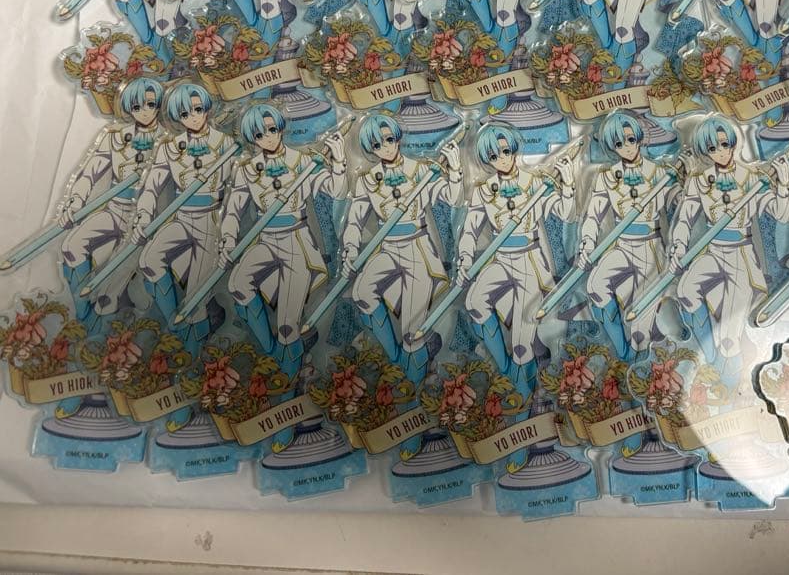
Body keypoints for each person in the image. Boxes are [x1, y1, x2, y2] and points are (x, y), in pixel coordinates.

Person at [219, 104, 346, 377]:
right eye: (259, 134)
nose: (268, 137)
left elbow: (336, 191)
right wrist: (227, 241)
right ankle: (271, 352)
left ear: (281, 127)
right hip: (265, 241)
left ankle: (289, 373)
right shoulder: (247, 170)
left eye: (272, 129)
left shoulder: (303, 162)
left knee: (288, 325)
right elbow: (232, 211)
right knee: (238, 286)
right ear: (251, 138)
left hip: (296, 241)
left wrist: (338, 161)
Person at [340, 114, 463, 387]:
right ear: (370, 148)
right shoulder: (368, 179)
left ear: (398, 138)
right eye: (377, 144)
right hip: (387, 249)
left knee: (412, 330)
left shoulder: (421, 170)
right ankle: (397, 361)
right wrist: (349, 250)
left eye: (388, 139)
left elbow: (453, 198)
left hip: (417, 248)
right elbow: (355, 220)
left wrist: (455, 170)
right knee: (362, 294)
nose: (385, 147)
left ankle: (414, 383)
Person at [671, 115, 789, 386]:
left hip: (740, 255)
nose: (720, 152)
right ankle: (710, 357)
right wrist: (677, 247)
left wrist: (784, 184)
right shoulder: (700, 180)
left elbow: (780, 214)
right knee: (685, 292)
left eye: (724, 144)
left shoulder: (751, 177)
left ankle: (730, 383)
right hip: (713, 253)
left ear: (733, 143)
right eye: (712, 148)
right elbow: (685, 218)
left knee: (729, 337)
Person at [458, 124, 576, 399]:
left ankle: (524, 393)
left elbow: (565, 213)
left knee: (522, 341)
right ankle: (508, 372)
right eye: (493, 155)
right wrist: (464, 260)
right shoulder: (484, 190)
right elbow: (470, 230)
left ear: (513, 149)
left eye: (505, 151)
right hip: (500, 260)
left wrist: (568, 184)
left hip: (529, 262)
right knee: (474, 303)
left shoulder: (534, 183)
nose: (501, 159)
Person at [59, 78, 167, 333]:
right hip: (114, 209)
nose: (145, 111)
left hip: (146, 220)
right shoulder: (114, 136)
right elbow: (90, 173)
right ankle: (80, 311)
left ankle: (102, 321)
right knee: (70, 247)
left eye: (151, 104)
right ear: (128, 107)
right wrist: (74, 202)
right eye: (137, 106)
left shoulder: (169, 141)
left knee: (114, 276)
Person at [135, 82, 234, 354]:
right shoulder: (169, 147)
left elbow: (239, 191)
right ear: (176, 117)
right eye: (185, 113)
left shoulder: (226, 144)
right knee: (149, 261)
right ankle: (176, 327)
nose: (193, 117)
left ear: (207, 109)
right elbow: (151, 186)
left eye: (198, 110)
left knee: (196, 296)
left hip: (210, 221)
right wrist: (143, 216)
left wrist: (230, 234)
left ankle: (195, 349)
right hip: (180, 218)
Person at [577, 111, 680, 360]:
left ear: (639, 138)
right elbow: (593, 215)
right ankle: (621, 350)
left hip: (650, 247)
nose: (627, 147)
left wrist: (683, 183)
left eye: (630, 139)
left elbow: (678, 204)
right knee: (595, 287)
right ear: (612, 147)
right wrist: (587, 244)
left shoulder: (659, 172)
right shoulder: (606, 177)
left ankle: (640, 355)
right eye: (619, 143)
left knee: (640, 321)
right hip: (621, 246)